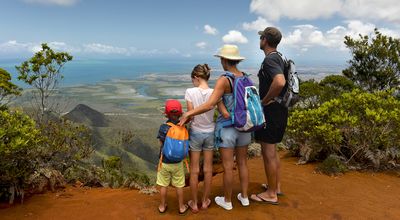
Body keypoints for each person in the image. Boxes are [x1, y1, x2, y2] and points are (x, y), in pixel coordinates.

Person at [179, 45, 251, 211]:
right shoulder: (246, 78)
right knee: (242, 163)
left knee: (227, 166)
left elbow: (212, 104)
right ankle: (245, 197)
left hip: (228, 129)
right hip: (245, 126)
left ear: (225, 60)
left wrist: (187, 114)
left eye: (221, 59)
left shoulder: (224, 79)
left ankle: (227, 200)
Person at [250, 27, 288, 205]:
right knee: (272, 151)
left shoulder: (270, 60)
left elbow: (280, 81)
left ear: (265, 40)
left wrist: (264, 101)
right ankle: (276, 186)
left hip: (271, 112)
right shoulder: (280, 57)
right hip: (280, 110)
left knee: (268, 152)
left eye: (261, 37)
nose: (260, 40)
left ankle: (271, 194)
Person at [185, 64, 227, 213]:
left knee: (195, 170)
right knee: (208, 169)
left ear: (196, 77)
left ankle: (194, 204)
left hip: (196, 132)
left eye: (193, 79)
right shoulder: (214, 93)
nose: (192, 82)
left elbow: (190, 115)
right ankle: (205, 201)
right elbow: (224, 113)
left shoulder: (190, 92)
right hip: (210, 132)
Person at [156, 99, 189, 215]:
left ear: (166, 114)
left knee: (164, 185)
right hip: (178, 163)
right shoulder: (183, 127)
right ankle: (181, 207)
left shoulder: (163, 127)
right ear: (180, 113)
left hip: (164, 162)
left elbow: (161, 143)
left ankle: (162, 206)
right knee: (179, 186)